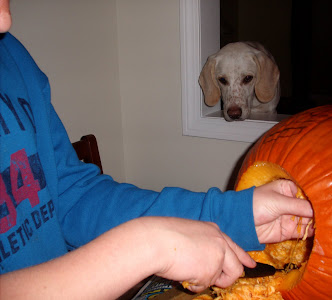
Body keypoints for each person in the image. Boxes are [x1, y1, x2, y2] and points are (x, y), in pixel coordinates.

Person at [0, 1, 314, 298]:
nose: (6, 19)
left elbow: (74, 197)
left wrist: (235, 215)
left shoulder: (14, 58)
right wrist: (149, 247)